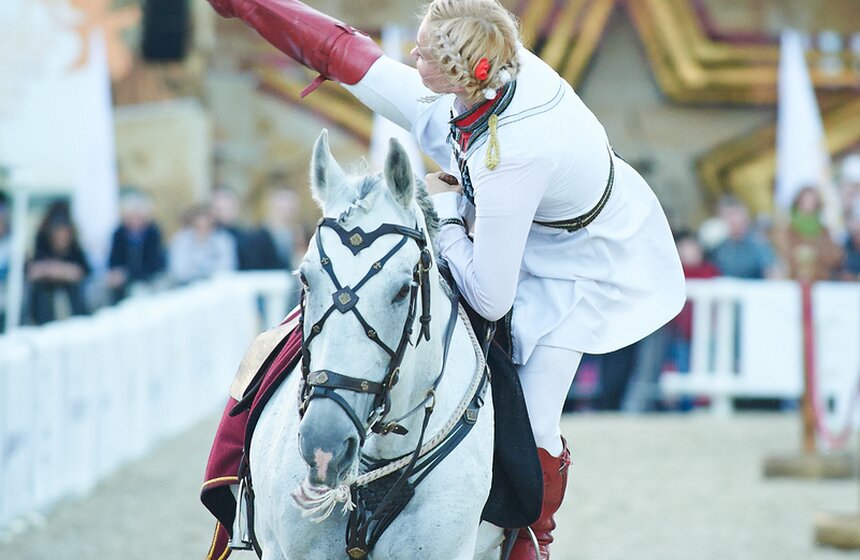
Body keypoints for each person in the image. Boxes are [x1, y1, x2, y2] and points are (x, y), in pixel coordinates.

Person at [205, 1, 685, 557]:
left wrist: (447, 211)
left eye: (426, 51)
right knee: (335, 311)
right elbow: (343, 53)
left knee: (534, 423)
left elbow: (490, 295)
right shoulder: (480, 81)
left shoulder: (513, 153)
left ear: (462, 69)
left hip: (580, 257)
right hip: (503, 208)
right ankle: (239, 495)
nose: (412, 55)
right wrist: (246, 7)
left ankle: (531, 539)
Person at [27, 207, 90, 324]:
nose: (62, 237)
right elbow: (31, 271)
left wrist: (60, 270)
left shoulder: (75, 249)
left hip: (71, 293)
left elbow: (83, 271)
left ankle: (79, 322)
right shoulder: (42, 245)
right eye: (58, 233)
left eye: (65, 233)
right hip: (47, 295)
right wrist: (50, 270)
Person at [105, 190, 166, 302]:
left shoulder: (153, 233)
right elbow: (113, 260)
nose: (135, 219)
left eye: (139, 215)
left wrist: (127, 274)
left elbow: (154, 263)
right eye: (132, 215)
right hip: (124, 280)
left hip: (147, 279)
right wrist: (115, 274)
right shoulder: (119, 233)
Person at [168, 204, 237, 285]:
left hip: (215, 286)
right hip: (187, 286)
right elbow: (179, 271)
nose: (203, 224)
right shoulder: (181, 241)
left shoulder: (224, 240)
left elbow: (227, 267)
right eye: (200, 221)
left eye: (207, 221)